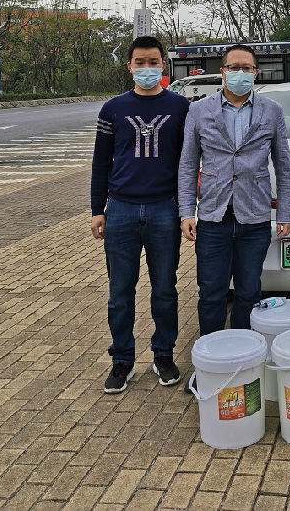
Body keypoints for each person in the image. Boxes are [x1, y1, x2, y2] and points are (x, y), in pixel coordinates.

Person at [90, 35, 189, 394]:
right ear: (129, 66)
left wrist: (186, 209)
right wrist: (97, 210)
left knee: (164, 288)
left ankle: (164, 355)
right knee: (120, 290)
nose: (147, 68)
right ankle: (122, 360)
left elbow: (188, 161)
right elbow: (101, 162)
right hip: (121, 209)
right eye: (140, 62)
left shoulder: (181, 108)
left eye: (153, 62)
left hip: (164, 208)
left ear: (163, 64)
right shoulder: (113, 109)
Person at [178, 44, 290, 337]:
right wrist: (186, 212)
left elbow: (283, 166)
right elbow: (188, 165)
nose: (239, 73)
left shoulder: (272, 111)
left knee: (248, 292)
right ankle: (212, 350)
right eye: (233, 68)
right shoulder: (198, 110)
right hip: (213, 217)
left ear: (255, 73)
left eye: (246, 68)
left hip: (254, 218)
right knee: (211, 293)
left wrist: (286, 212)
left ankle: (244, 350)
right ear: (223, 72)